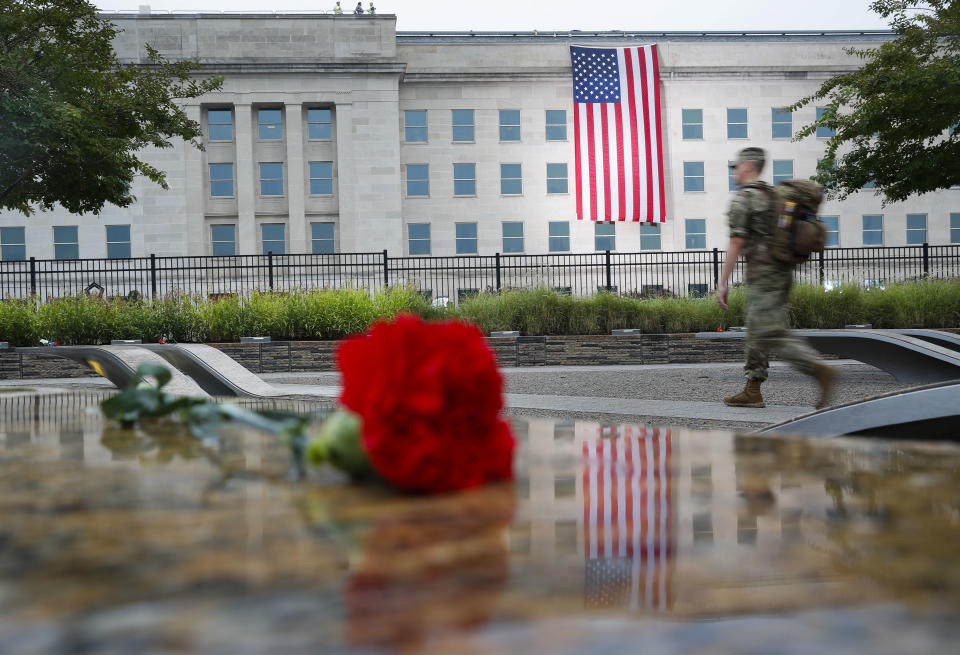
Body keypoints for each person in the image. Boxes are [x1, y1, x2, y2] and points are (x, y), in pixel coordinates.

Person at [717, 147, 835, 409]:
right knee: (756, 330)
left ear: (748, 166)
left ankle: (816, 368)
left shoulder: (745, 197)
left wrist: (723, 283)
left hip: (764, 275)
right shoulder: (772, 196)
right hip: (782, 273)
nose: (734, 172)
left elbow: (737, 240)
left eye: (736, 167)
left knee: (768, 332)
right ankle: (752, 389)